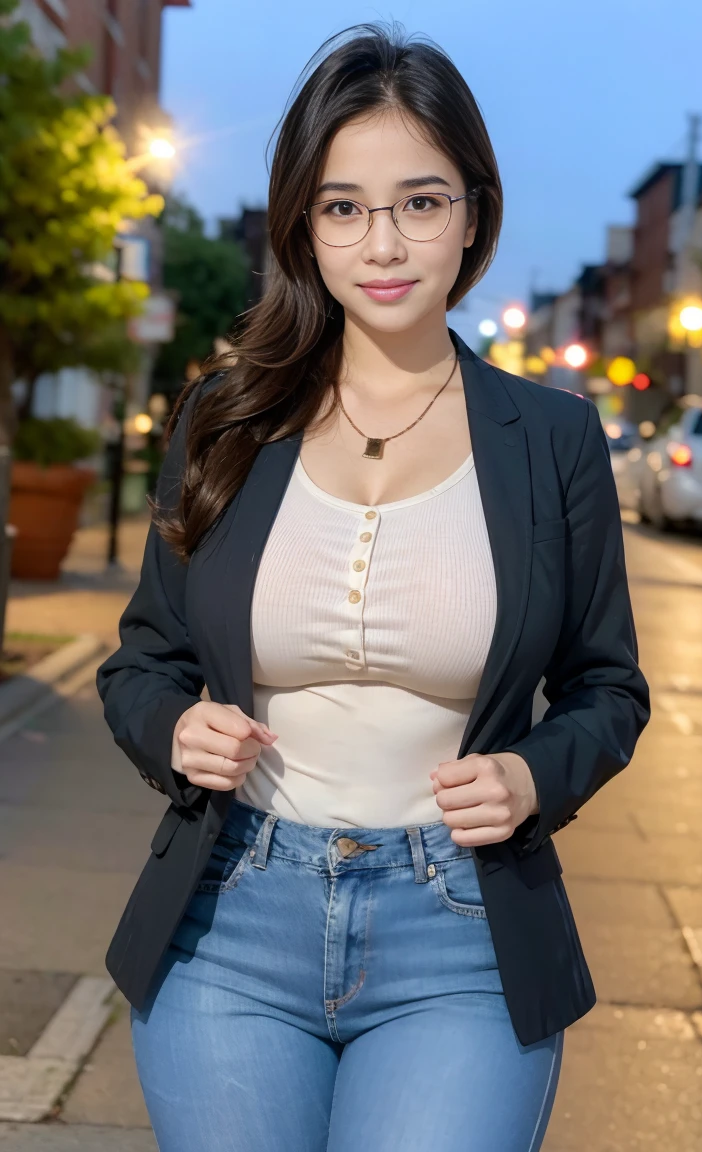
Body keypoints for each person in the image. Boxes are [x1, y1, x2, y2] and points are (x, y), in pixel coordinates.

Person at [96, 22, 651, 1152]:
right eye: (343, 206)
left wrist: (532, 775)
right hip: (230, 918)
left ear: (473, 217)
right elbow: (142, 661)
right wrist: (176, 731)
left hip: (461, 932)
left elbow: (608, 688)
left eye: (421, 202)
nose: (383, 242)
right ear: (304, 223)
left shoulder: (551, 439)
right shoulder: (225, 419)